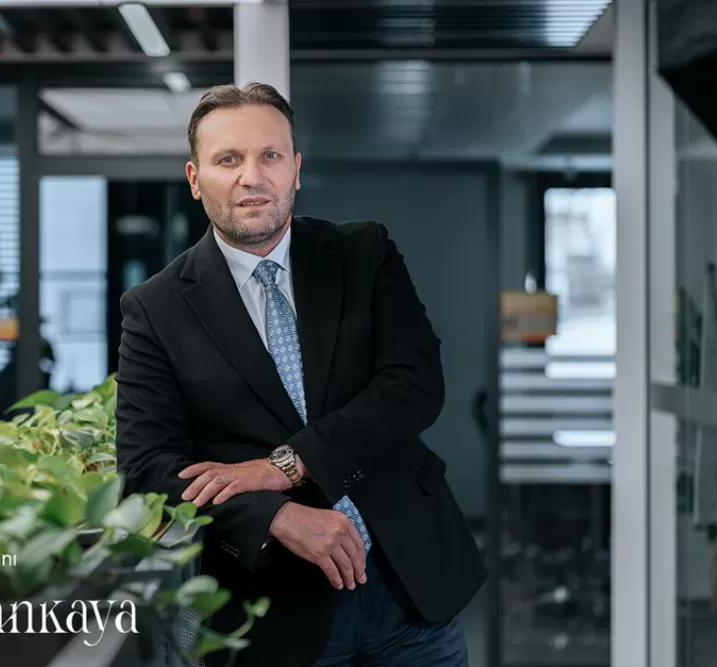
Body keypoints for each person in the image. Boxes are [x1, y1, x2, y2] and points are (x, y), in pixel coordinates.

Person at [114, 82, 486, 667]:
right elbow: (147, 468)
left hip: (409, 590)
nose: (252, 176)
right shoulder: (155, 309)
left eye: (270, 155)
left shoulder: (364, 252)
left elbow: (414, 385)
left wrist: (286, 466)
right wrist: (276, 516)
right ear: (194, 179)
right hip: (275, 611)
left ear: (296, 170)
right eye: (228, 159)